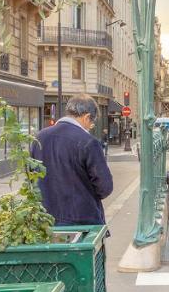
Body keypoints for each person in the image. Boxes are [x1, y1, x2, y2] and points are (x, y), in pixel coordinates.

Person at [31, 94, 114, 226]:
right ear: (87, 117)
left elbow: (32, 177)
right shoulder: (88, 142)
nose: (90, 127)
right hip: (82, 221)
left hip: (45, 220)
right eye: (91, 124)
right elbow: (105, 187)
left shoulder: (39, 138)